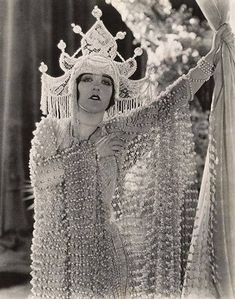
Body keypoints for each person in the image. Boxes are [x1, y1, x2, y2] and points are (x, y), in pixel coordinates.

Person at [29, 6, 233, 299]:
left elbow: (164, 107)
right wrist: (91, 154)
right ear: (74, 86)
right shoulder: (51, 130)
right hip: (54, 258)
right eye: (88, 79)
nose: (96, 87)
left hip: (104, 259)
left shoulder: (118, 131)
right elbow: (41, 176)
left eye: (106, 82)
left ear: (114, 94)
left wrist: (210, 61)